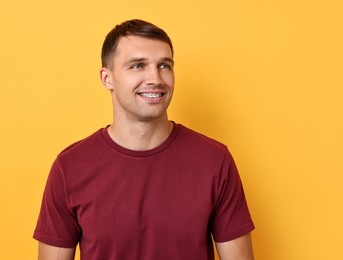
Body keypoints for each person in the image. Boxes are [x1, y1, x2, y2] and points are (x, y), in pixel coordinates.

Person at [34, 19, 255, 260]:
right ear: (107, 78)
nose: (156, 78)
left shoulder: (215, 161)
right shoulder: (70, 167)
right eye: (138, 65)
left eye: (164, 66)